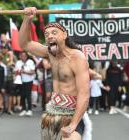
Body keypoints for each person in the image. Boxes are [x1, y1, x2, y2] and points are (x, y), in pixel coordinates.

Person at [19, 7, 90, 140]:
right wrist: (27, 19)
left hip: (72, 115)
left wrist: (73, 124)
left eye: (54, 32)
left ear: (64, 35)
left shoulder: (77, 57)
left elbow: (84, 94)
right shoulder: (50, 54)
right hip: (52, 113)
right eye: (46, 34)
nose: (49, 36)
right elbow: (24, 43)